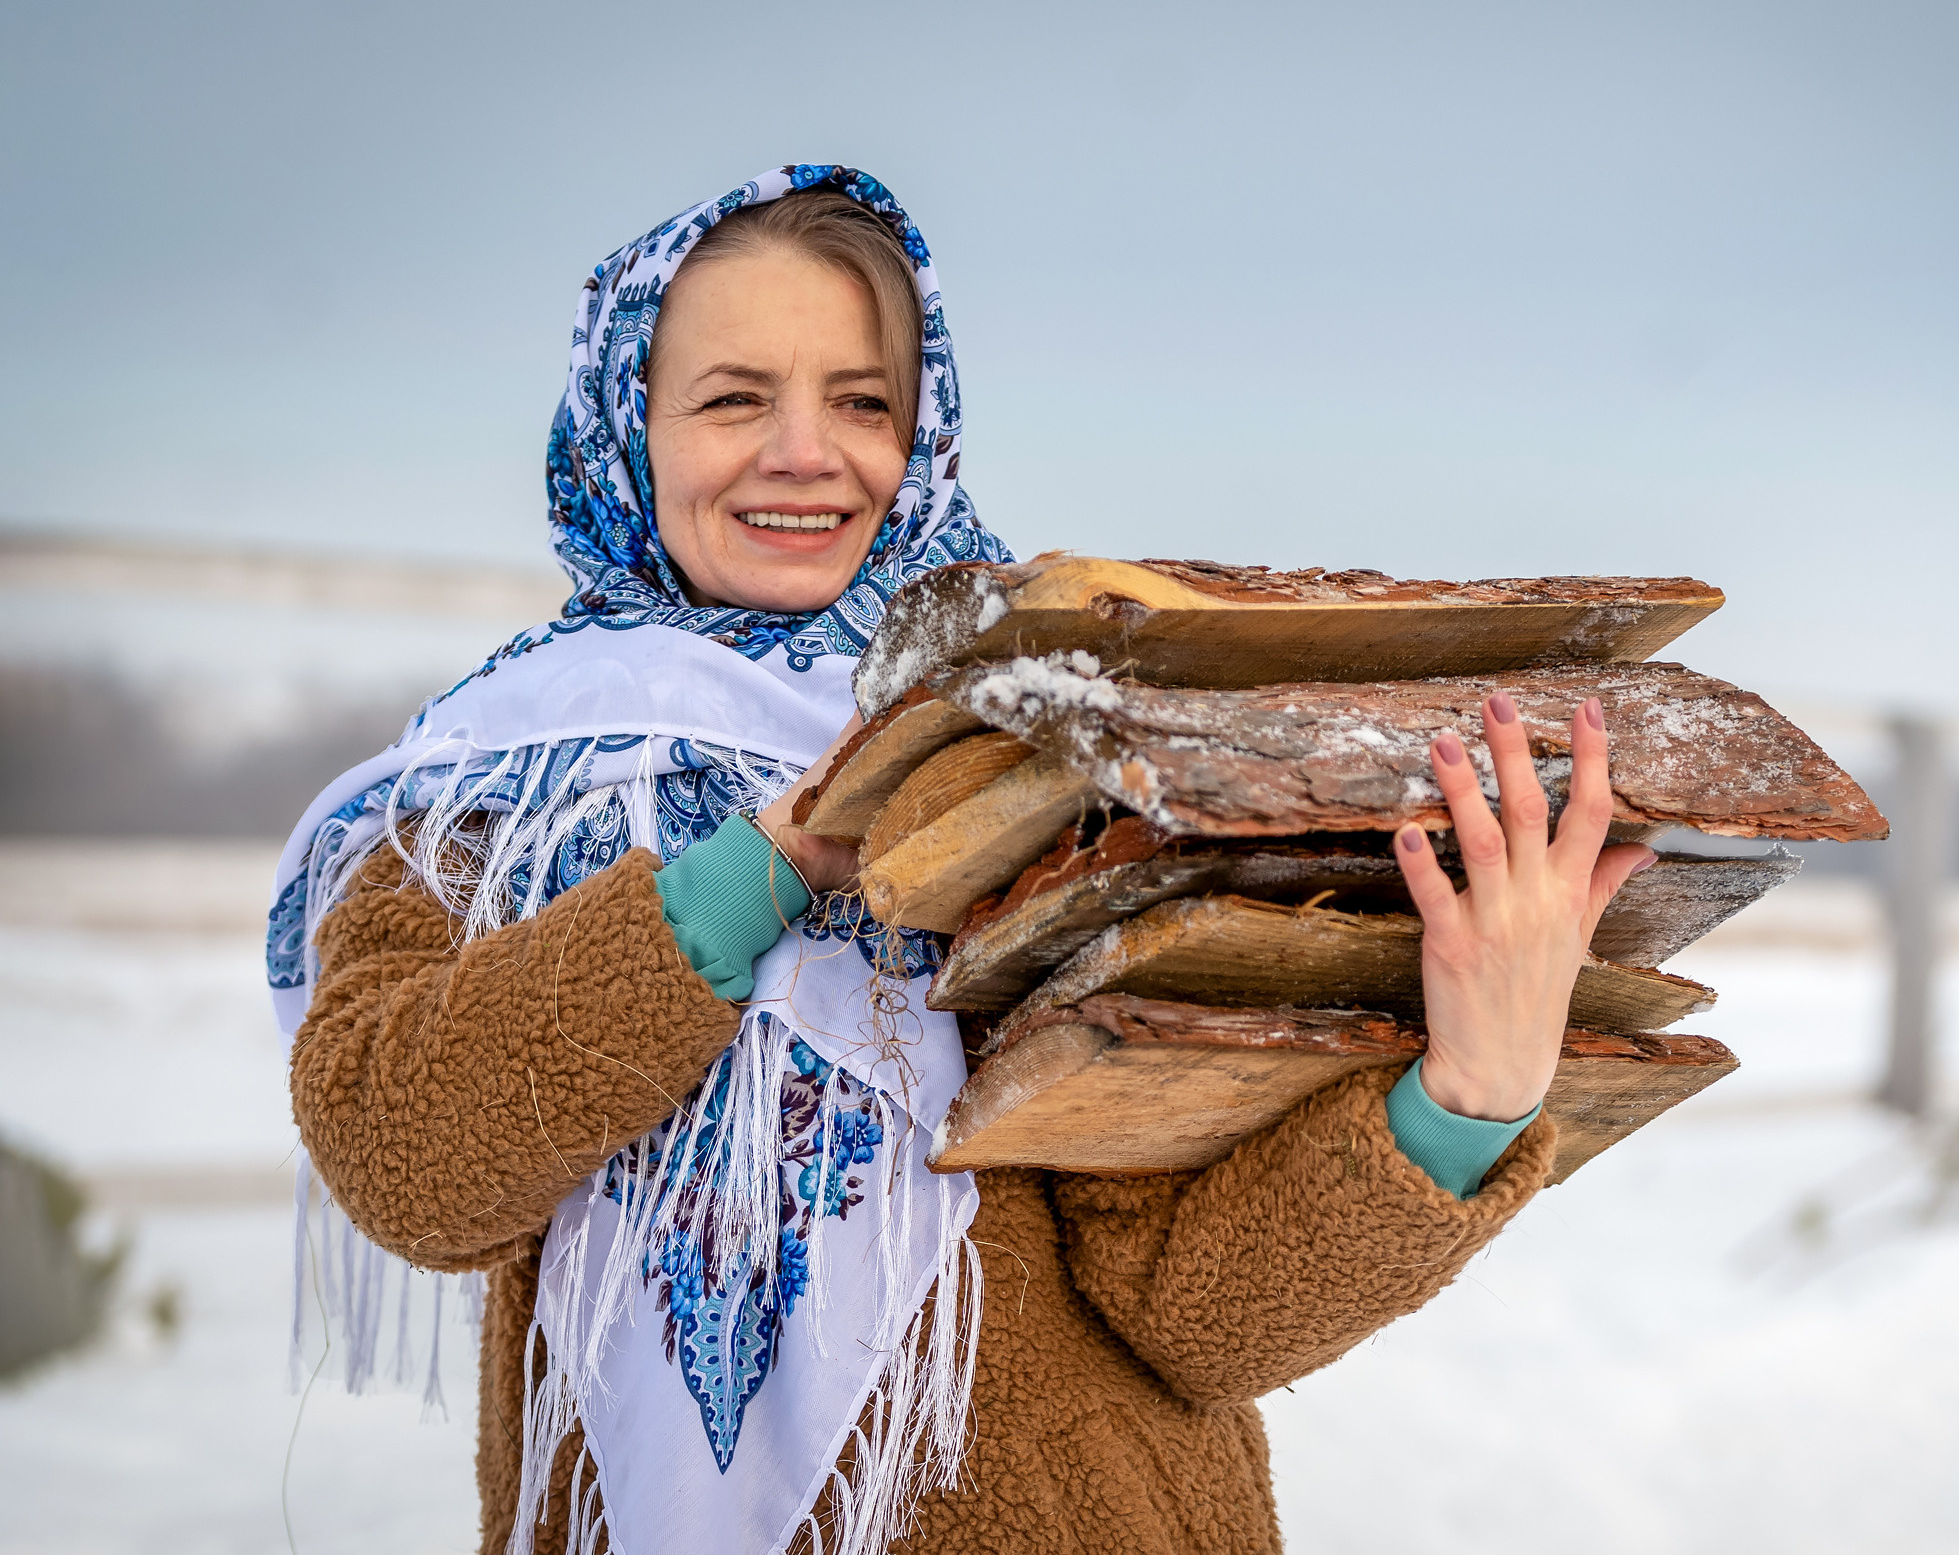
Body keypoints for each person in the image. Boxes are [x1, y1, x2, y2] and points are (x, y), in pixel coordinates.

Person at [273, 165, 1657, 1555]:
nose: (808, 452)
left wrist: (1471, 1089)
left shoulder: (1058, 742)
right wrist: (767, 866)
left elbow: (1196, 1311)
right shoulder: (481, 792)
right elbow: (411, 1161)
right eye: (735, 396)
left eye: (864, 400)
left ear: (925, 434)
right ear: (623, 429)